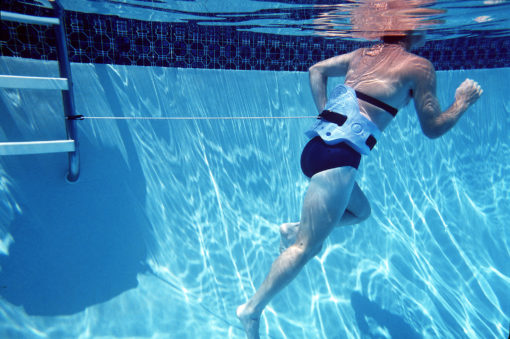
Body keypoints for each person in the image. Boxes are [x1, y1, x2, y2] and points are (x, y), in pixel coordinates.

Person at [236, 31, 483, 339]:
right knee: (305, 249)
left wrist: (328, 114)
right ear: (413, 31)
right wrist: (462, 102)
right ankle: (252, 310)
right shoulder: (418, 67)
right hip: (339, 158)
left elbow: (316, 70)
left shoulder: (361, 55)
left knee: (362, 211)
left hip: (315, 150)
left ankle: (294, 228)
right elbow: (432, 128)